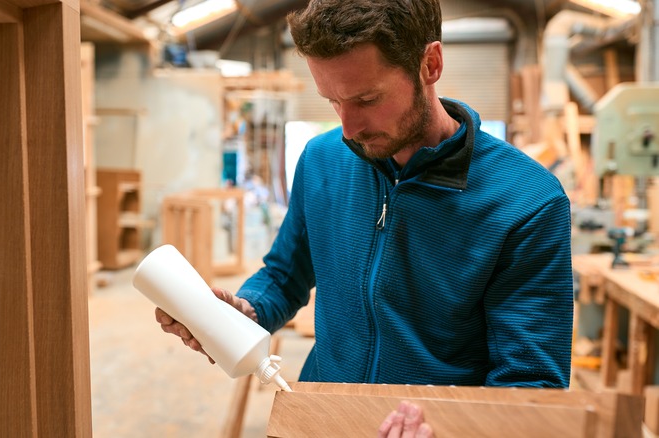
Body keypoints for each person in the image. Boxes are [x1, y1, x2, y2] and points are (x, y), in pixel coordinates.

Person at [157, 0, 572, 432]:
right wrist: (244, 311)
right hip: (322, 413)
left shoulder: (527, 203)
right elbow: (284, 276)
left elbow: (531, 385)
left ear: (430, 64)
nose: (349, 129)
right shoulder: (322, 159)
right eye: (332, 100)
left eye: (367, 99)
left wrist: (450, 429)